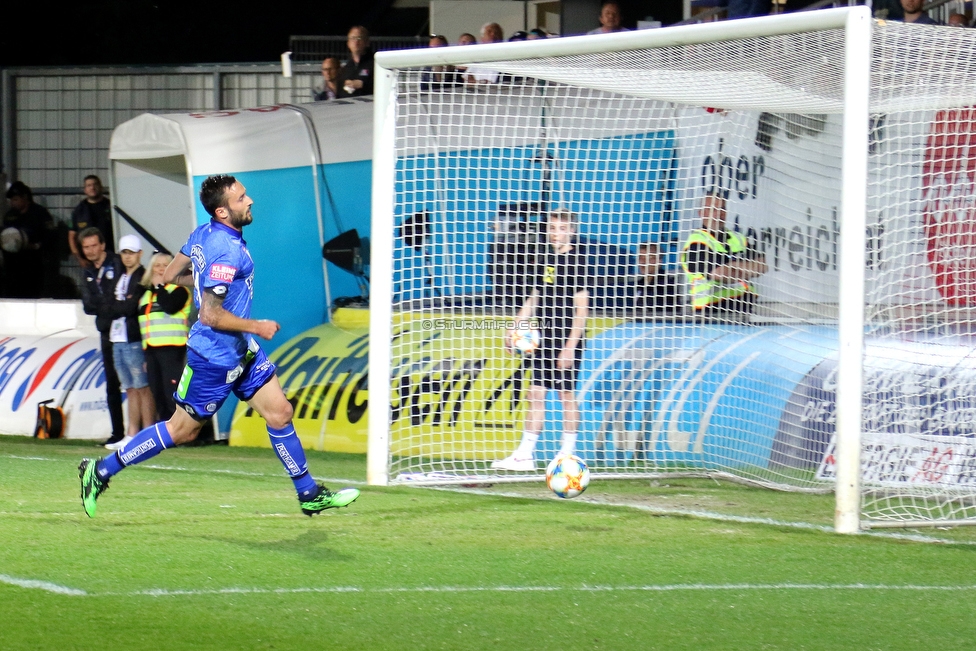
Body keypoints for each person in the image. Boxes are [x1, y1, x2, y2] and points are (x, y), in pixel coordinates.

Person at [78, 174, 360, 518]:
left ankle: (308, 493)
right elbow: (211, 315)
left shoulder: (204, 233)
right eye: (241, 198)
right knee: (180, 431)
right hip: (213, 356)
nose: (250, 200)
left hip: (242, 350)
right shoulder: (226, 250)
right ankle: (101, 470)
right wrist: (254, 324)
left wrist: (205, 281)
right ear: (224, 211)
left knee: (280, 412)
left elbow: (168, 276)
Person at [492, 209, 590, 471]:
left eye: (561, 228)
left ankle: (566, 456)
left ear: (571, 231)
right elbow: (535, 296)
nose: (555, 233)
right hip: (544, 337)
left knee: (565, 394)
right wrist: (515, 328)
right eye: (552, 228)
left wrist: (570, 348)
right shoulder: (545, 258)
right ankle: (524, 455)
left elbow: (582, 309)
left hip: (567, 338)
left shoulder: (577, 262)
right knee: (535, 393)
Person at [680, 192, 767, 322]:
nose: (719, 213)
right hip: (710, 316)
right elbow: (720, 274)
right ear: (701, 213)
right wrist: (746, 270)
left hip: (744, 312)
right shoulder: (697, 242)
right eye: (714, 209)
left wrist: (732, 266)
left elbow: (762, 266)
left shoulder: (737, 238)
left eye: (722, 208)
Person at [104, 234, 155, 450]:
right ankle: (132, 434)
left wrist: (118, 306)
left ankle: (148, 432)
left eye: (131, 253)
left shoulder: (143, 277)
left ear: (140, 254)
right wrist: (119, 306)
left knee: (142, 386)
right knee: (130, 388)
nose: (127, 257)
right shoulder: (119, 276)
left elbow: (127, 308)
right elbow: (106, 306)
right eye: (124, 253)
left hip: (134, 338)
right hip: (118, 338)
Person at [77, 226, 127, 446]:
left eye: (93, 245)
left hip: (127, 331)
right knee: (111, 384)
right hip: (106, 332)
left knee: (138, 385)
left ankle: (146, 431)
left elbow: (119, 299)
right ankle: (118, 433)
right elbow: (88, 306)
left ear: (103, 245)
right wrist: (107, 304)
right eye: (85, 247)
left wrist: (106, 304)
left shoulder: (117, 263)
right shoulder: (86, 272)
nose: (89, 251)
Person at [138, 251, 191, 422]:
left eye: (165, 265)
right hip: (152, 351)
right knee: (157, 392)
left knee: (172, 393)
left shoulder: (179, 290)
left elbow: (169, 307)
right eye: (157, 265)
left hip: (172, 350)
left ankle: (182, 430)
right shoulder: (147, 295)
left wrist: (160, 287)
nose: (160, 269)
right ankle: (166, 431)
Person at [2, 181, 56, 298]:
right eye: (11, 200)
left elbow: (50, 236)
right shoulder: (10, 215)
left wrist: (36, 246)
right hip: (13, 265)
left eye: (15, 199)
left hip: (34, 264)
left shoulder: (40, 213)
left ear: (25, 198)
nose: (12, 203)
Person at [69, 175, 114, 268]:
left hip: (111, 257)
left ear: (101, 187)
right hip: (89, 261)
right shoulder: (78, 211)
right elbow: (71, 236)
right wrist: (79, 259)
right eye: (89, 185)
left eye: (95, 184)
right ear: (85, 190)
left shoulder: (111, 207)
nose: (92, 188)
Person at [633, 241, 680, 311]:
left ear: (659, 261)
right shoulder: (636, 285)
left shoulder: (666, 287)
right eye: (640, 257)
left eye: (649, 257)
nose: (642, 261)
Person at [338, 26, 374, 97]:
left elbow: (385, 85)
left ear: (367, 43)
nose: (356, 42)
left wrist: (363, 84)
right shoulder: (345, 69)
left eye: (359, 38)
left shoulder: (376, 63)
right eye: (353, 38)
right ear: (348, 43)